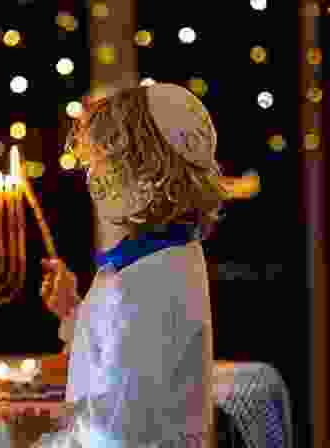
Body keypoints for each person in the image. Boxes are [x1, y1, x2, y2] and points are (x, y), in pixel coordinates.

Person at [29, 84, 228, 448]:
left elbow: (115, 430)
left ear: (150, 168)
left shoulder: (148, 279)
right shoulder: (166, 254)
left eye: (105, 159)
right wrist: (73, 310)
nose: (93, 177)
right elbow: (120, 354)